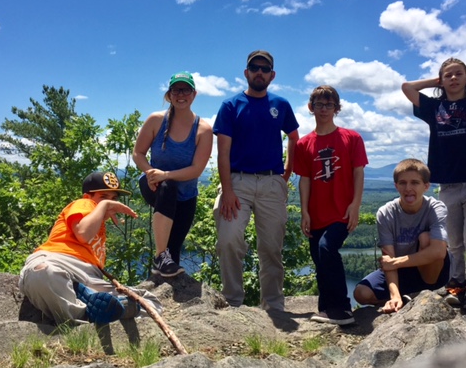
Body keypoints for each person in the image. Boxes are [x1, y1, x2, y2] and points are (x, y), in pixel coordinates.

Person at [401, 60, 466, 310]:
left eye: (458, 74)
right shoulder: (434, 107)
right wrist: (437, 82)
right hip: (448, 185)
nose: (453, 78)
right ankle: (457, 283)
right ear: (441, 80)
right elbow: (407, 87)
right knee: (455, 242)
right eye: (448, 75)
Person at [213, 50, 299, 311]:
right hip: (237, 182)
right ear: (246, 73)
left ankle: (273, 305)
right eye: (254, 67)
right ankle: (233, 302)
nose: (259, 72)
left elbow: (294, 138)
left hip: (272, 183)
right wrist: (228, 190)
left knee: (271, 247)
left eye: (265, 68)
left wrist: (287, 172)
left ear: (272, 75)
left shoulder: (281, 105)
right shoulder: (231, 105)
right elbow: (223, 152)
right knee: (228, 240)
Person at [19, 171, 162, 325]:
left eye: (114, 199)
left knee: (149, 301)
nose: (110, 203)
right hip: (58, 260)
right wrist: (104, 206)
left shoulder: (99, 228)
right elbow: (83, 233)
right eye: (103, 197)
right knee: (42, 272)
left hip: (89, 276)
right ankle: (89, 313)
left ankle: (88, 303)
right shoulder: (84, 203)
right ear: (88, 196)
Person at [293, 86, 367, 325]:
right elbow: (305, 179)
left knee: (327, 248)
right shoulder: (304, 144)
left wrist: (355, 205)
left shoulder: (351, 138)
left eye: (329, 104)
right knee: (319, 259)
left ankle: (342, 309)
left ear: (337, 108)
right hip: (316, 213)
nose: (324, 109)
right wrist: (304, 212)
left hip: (341, 211)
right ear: (311, 107)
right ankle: (326, 309)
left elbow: (358, 173)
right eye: (319, 104)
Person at [133, 71, 213, 277]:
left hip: (186, 196)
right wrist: (151, 173)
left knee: (174, 251)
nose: (181, 94)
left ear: (194, 94)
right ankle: (160, 256)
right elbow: (138, 153)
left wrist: (166, 174)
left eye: (186, 90)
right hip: (155, 186)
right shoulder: (156, 121)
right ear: (169, 94)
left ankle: (162, 272)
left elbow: (197, 169)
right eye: (176, 90)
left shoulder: (203, 129)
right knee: (168, 188)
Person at [353, 159, 450, 313]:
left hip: (432, 273)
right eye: (403, 183)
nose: (408, 188)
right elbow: (388, 259)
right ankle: (405, 299)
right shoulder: (386, 213)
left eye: (415, 183)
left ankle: (428, 292)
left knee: (425, 238)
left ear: (426, 186)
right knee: (362, 293)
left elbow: (439, 251)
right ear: (396, 186)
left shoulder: (435, 208)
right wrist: (395, 296)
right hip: (401, 270)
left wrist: (396, 263)